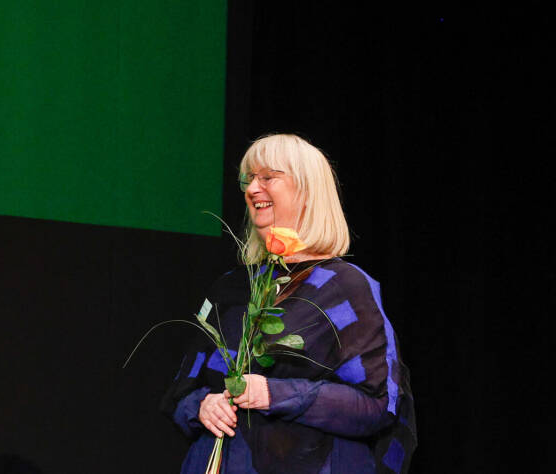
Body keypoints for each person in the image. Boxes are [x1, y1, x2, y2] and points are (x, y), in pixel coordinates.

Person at [162, 134, 416, 473]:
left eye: (267, 177)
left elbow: (377, 405)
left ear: (307, 191)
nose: (252, 189)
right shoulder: (229, 288)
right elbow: (180, 393)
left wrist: (273, 394)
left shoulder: (345, 287)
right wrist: (202, 406)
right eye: (248, 179)